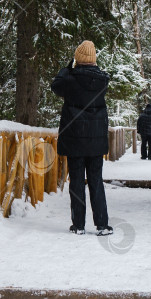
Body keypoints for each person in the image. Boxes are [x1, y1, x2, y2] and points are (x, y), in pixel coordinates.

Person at [51, 40, 113, 236]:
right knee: (96, 180)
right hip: (95, 140)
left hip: (75, 138)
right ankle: (102, 225)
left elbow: (56, 86)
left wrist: (67, 67)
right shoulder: (102, 80)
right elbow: (93, 77)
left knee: (77, 181)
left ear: (77, 59)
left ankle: (78, 225)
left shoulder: (70, 79)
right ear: (94, 60)